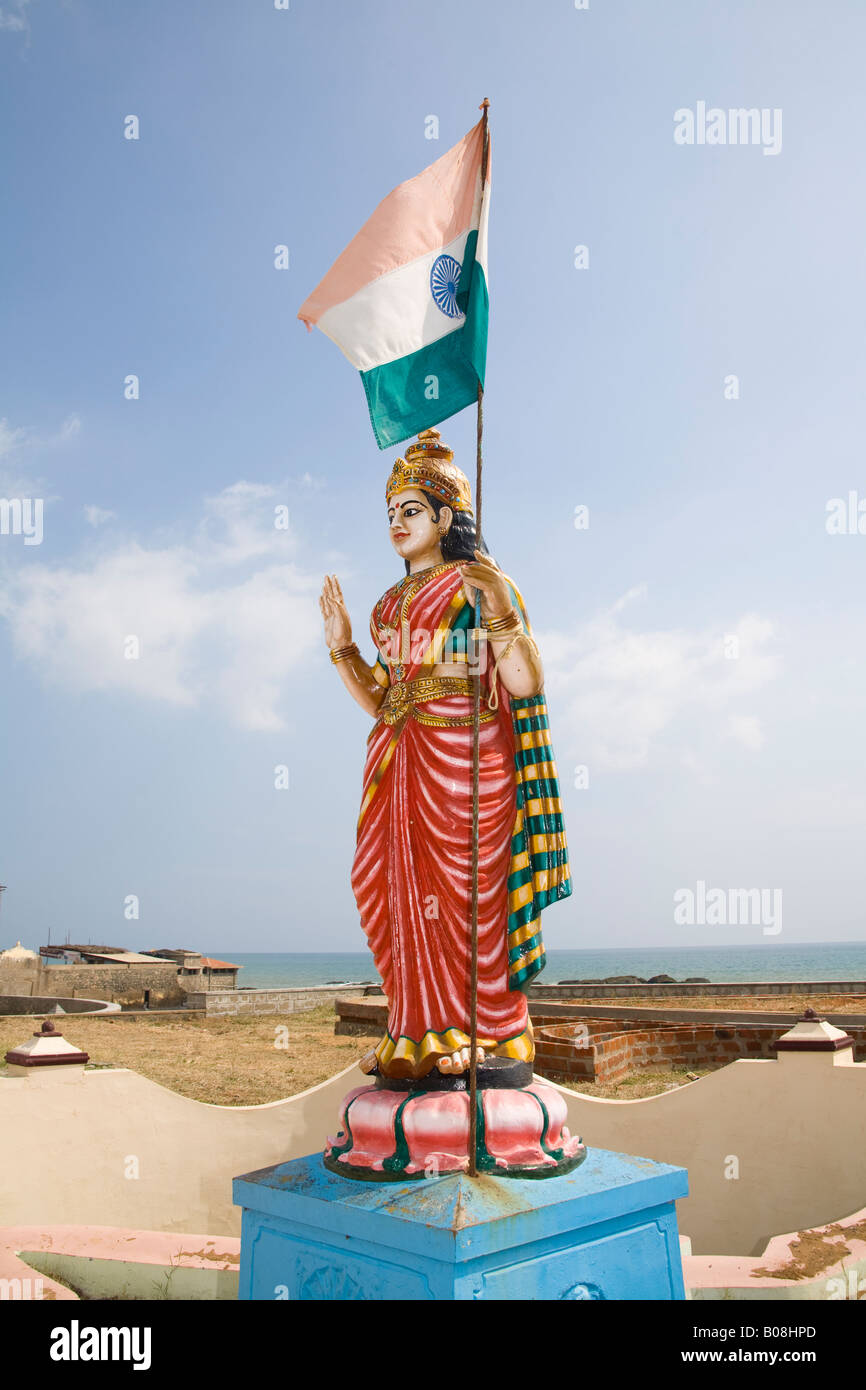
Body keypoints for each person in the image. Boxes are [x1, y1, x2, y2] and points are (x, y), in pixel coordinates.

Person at [319, 429, 571, 1080]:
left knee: (469, 896)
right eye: (391, 514)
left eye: (410, 511)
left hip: (468, 762)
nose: (397, 525)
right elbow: (386, 699)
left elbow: (523, 683)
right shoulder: (388, 605)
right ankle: (418, 1029)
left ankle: (494, 1032)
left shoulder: (483, 585)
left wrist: (497, 611)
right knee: (384, 885)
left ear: (446, 516)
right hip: (400, 760)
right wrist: (343, 648)